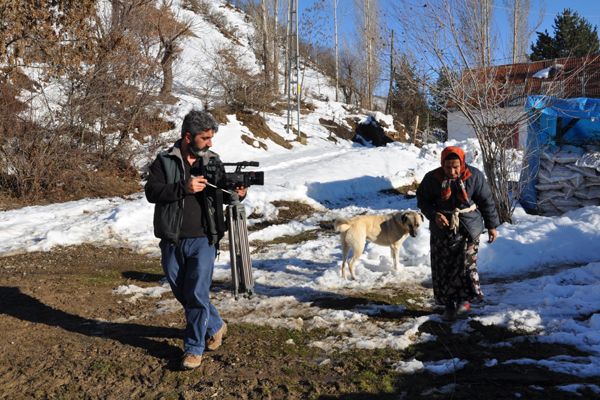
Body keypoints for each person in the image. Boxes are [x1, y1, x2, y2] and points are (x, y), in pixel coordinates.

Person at [145, 110, 247, 369]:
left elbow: (223, 193)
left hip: (204, 238)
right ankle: (216, 324)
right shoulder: (165, 161)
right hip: (172, 239)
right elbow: (152, 192)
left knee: (197, 293)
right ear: (188, 137)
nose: (210, 143)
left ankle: (194, 348)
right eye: (205, 138)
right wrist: (183, 188)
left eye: (211, 137)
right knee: (184, 292)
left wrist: (238, 194)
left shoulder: (213, 160)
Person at [416, 146, 499, 322]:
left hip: (469, 227)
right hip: (442, 229)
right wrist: (434, 215)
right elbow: (423, 201)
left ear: (462, 163)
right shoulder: (432, 179)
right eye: (448, 167)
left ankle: (465, 302)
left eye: (456, 167)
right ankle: (449, 304)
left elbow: (486, 201)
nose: (453, 171)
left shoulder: (474, 176)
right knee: (443, 268)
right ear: (442, 164)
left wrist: (492, 225)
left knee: (466, 266)